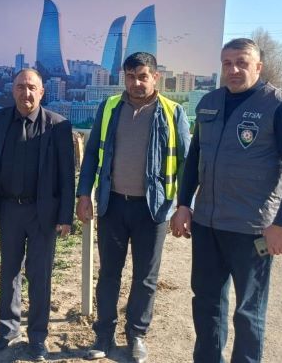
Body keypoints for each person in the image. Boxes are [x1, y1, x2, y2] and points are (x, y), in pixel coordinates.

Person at [170, 38, 282, 363]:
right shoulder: (209, 103)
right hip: (207, 225)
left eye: (242, 63)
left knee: (248, 311)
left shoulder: (280, 108)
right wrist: (184, 205)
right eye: (227, 63)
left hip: (252, 230)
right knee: (206, 303)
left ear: (258, 66)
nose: (233, 69)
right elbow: (194, 158)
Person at [76, 52, 191, 362]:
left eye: (143, 76)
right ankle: (104, 335)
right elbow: (92, 155)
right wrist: (84, 194)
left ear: (155, 77)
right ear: (123, 78)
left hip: (152, 210)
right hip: (112, 206)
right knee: (109, 274)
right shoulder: (109, 108)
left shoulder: (173, 112)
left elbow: (185, 163)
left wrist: (184, 206)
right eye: (130, 77)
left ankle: (137, 335)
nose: (136, 83)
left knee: (146, 277)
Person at [0, 68, 75, 362]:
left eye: (32, 87)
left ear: (42, 92)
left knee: (39, 275)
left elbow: (67, 176)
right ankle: (7, 331)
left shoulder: (58, 126)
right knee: (9, 272)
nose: (26, 93)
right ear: (13, 90)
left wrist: (65, 216)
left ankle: (38, 337)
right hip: (8, 210)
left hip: (42, 212)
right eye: (20, 87)